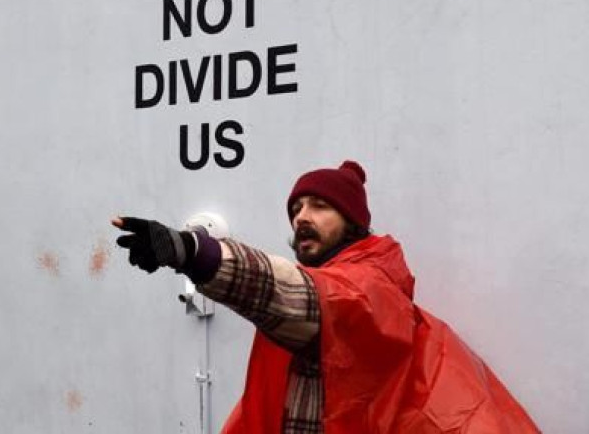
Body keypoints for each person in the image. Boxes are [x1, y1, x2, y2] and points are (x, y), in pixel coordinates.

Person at [112, 160, 540, 434]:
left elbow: (310, 299)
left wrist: (196, 252)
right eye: (296, 208)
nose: (302, 217)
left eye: (319, 206)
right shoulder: (316, 285)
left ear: (353, 222)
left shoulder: (372, 288)